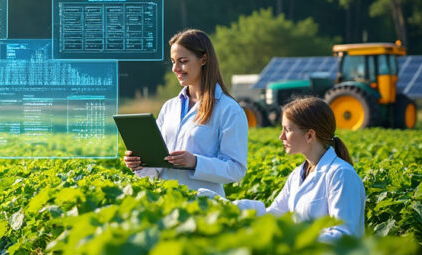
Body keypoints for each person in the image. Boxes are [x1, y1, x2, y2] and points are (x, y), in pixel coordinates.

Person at [214, 97, 365, 242]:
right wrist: (226, 206)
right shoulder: (297, 175)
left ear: (310, 135)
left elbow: (344, 234)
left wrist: (297, 241)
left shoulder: (341, 174)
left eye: (287, 129)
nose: (281, 137)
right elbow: (275, 214)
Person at [123, 29, 248, 196]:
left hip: (205, 204)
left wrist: (196, 162)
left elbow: (236, 169)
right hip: (165, 201)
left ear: (203, 59)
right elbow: (158, 166)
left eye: (183, 61)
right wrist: (139, 164)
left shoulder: (229, 109)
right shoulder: (169, 107)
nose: (175, 68)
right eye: (173, 61)